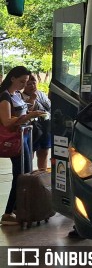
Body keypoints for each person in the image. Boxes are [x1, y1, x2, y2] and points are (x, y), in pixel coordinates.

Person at [0, 66, 46, 225]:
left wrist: (31, 109)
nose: (23, 85)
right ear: (12, 78)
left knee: (26, 173)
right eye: (21, 81)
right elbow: (6, 121)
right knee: (20, 176)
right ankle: (8, 213)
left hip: (24, 137)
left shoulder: (16, 94)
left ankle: (18, 208)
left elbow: (23, 111)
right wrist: (28, 117)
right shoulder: (5, 96)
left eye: (25, 82)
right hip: (15, 138)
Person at [22, 74, 52, 171]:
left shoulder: (41, 94)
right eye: (28, 84)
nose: (32, 85)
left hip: (45, 127)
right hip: (32, 129)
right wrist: (32, 99)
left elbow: (49, 106)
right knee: (30, 153)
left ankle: (42, 174)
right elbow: (26, 111)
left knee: (44, 152)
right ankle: (29, 175)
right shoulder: (21, 96)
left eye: (33, 83)